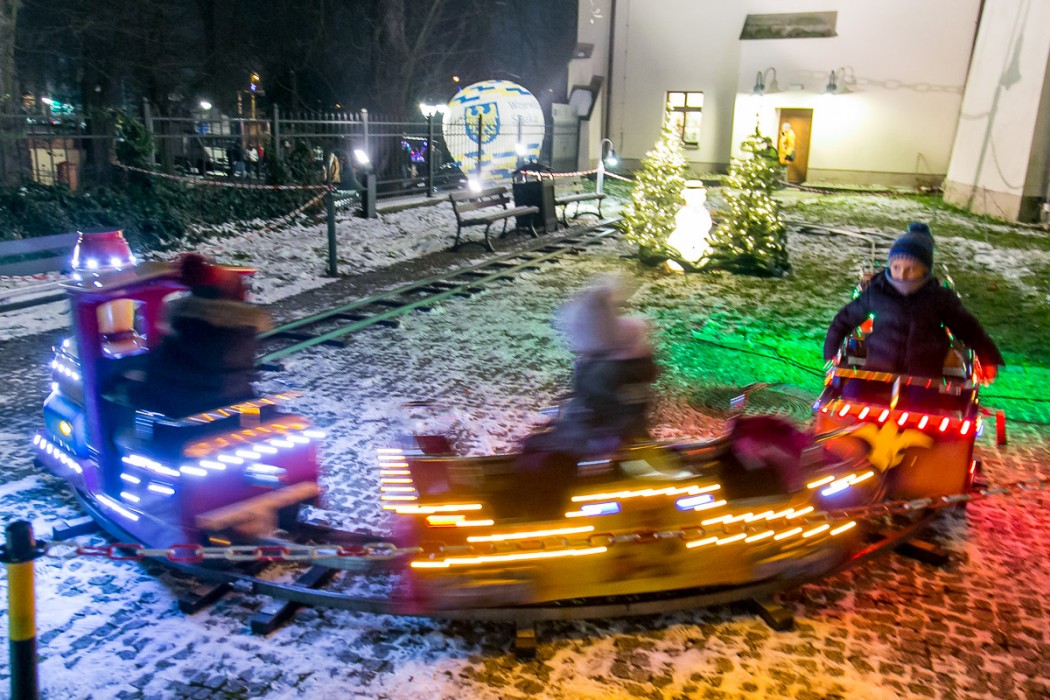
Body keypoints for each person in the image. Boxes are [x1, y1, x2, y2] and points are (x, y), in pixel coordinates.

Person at [824, 223, 1003, 383]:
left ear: (924, 271)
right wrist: (831, 347)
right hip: (879, 371)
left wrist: (988, 359)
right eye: (896, 267)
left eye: (910, 269)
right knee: (854, 393)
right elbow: (845, 319)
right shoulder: (877, 292)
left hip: (924, 378)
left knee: (929, 405)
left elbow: (968, 328)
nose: (901, 274)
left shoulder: (939, 298)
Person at [522, 276, 658, 460]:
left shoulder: (606, 370)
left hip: (608, 447)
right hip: (604, 438)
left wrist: (573, 431)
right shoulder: (602, 364)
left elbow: (611, 419)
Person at [139, 254, 272, 417]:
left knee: (123, 389)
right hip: (236, 400)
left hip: (188, 408)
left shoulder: (187, 327)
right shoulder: (245, 331)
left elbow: (161, 370)